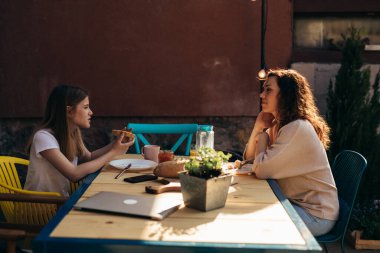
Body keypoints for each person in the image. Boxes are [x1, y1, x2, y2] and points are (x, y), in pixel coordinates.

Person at [244, 69, 339, 236]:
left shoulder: (296, 128)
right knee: (250, 213)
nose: (261, 95)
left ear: (285, 95)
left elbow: (261, 169)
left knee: (255, 223)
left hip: (316, 215)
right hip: (293, 204)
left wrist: (263, 137)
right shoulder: (280, 125)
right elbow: (250, 160)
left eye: (268, 90)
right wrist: (259, 127)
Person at [24, 85, 134, 196]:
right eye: (86, 107)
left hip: (60, 202)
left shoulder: (72, 134)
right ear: (69, 111)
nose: (91, 112)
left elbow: (90, 157)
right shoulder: (43, 137)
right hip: (40, 206)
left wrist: (116, 144)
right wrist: (114, 152)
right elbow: (73, 174)